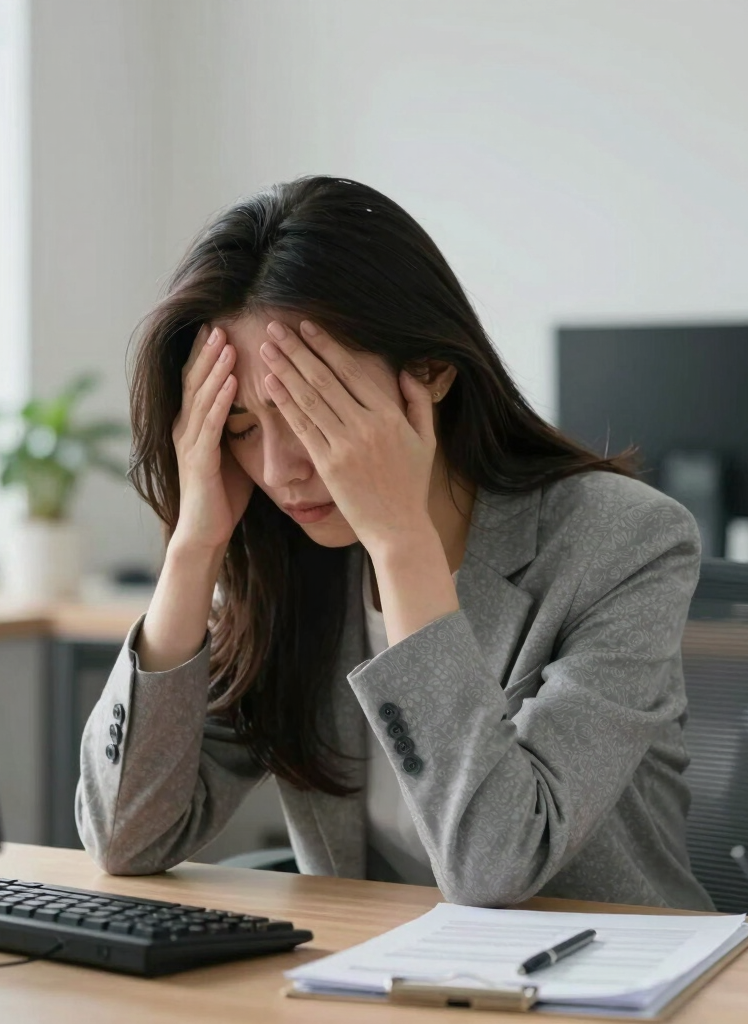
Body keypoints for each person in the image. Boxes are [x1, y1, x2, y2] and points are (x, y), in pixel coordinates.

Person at [75, 175, 713, 911]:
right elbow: (124, 837)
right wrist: (193, 547)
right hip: (368, 984)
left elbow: (495, 864)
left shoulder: (625, 542)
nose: (281, 470)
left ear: (431, 371)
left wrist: (400, 540)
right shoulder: (284, 556)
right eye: (244, 428)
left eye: (319, 411)